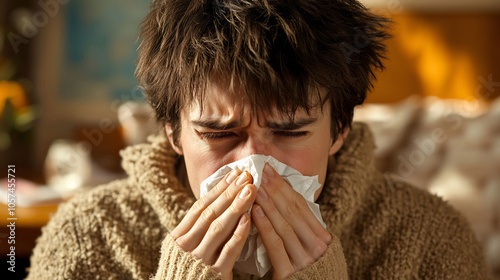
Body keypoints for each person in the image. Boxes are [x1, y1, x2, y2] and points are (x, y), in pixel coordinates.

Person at [27, 0, 489, 279]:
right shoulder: (89, 235)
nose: (254, 165)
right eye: (219, 134)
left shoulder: (428, 237)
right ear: (171, 132)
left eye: (290, 132)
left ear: (339, 131)